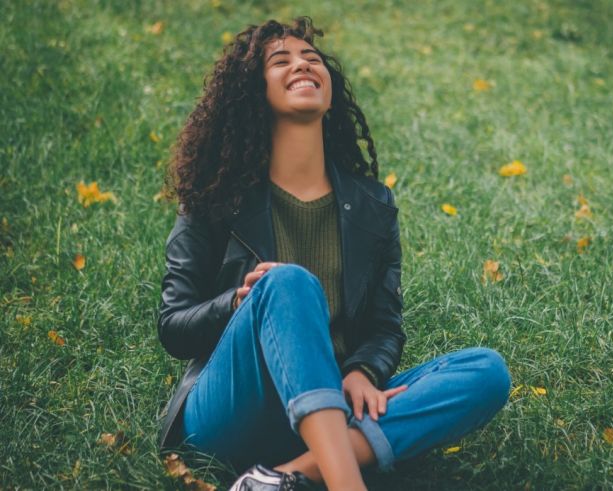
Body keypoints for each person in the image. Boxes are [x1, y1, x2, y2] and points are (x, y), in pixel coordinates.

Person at [156, 17, 511, 491]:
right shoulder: (214, 198)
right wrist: (238, 305)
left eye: (311, 59)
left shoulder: (373, 206)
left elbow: (386, 325)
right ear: (251, 92)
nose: (302, 64)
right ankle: (346, 480)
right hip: (231, 412)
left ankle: (283, 477)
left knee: (485, 371)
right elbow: (173, 327)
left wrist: (365, 371)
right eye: (280, 61)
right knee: (288, 282)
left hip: (335, 406)